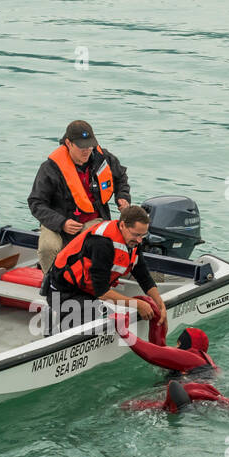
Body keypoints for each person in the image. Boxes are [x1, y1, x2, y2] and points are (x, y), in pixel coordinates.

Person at [42, 204, 166, 337]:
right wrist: (139, 305)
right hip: (63, 292)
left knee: (102, 311)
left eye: (143, 235)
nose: (140, 240)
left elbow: (143, 274)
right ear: (122, 225)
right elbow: (102, 292)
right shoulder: (102, 244)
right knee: (92, 320)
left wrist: (160, 303)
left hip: (87, 292)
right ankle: (55, 323)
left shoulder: (133, 242)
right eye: (136, 234)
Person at [28, 120, 131, 272]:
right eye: (82, 147)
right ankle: (52, 283)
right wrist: (62, 223)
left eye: (90, 146)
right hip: (56, 221)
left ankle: (85, 283)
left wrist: (122, 196)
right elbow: (36, 203)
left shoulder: (103, 159)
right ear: (68, 143)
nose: (86, 151)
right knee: (47, 248)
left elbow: (120, 177)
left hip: (92, 220)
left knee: (92, 246)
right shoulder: (49, 168)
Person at [115, 317, 229, 416]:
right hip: (200, 398)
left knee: (127, 406)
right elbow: (160, 350)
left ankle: (175, 406)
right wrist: (157, 320)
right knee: (132, 406)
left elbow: (152, 353)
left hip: (190, 393)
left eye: (177, 344)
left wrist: (123, 331)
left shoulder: (191, 357)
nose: (173, 348)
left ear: (183, 345)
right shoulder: (204, 361)